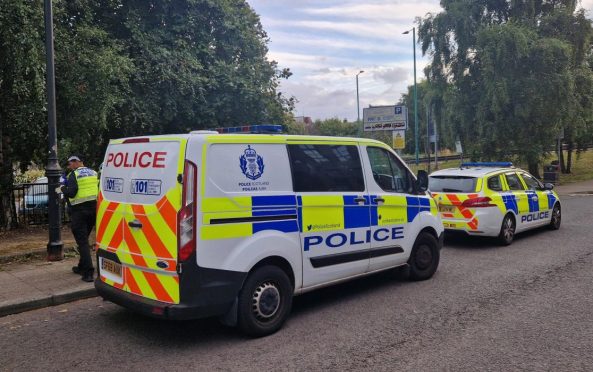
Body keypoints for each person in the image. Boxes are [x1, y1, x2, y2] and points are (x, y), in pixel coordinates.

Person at [61, 154, 98, 282]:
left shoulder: (74, 175)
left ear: (76, 162)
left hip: (79, 212)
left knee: (82, 242)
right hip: (93, 211)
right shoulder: (93, 172)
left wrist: (62, 188)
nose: (69, 165)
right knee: (84, 240)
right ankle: (81, 266)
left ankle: (88, 273)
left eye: (70, 163)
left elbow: (72, 193)